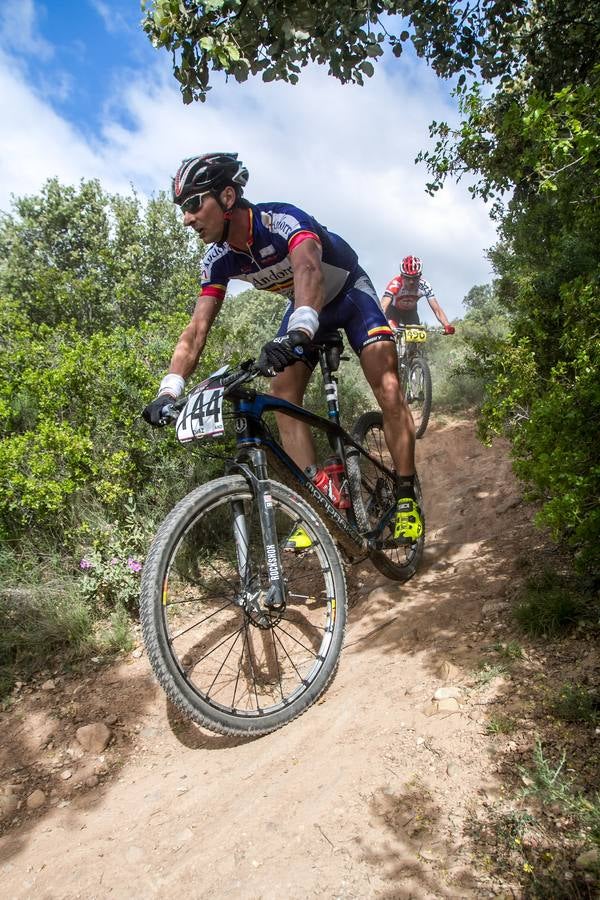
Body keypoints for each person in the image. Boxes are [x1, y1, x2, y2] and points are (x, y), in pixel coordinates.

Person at [142, 153, 423, 548]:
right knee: (280, 393)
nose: (187, 217)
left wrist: (301, 330)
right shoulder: (217, 261)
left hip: (346, 295)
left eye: (192, 204)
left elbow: (308, 269)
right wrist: (170, 388)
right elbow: (197, 328)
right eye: (183, 208)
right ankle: (323, 499)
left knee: (389, 389)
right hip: (305, 307)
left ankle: (407, 498)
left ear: (226, 197)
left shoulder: (282, 221)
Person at [381, 255, 456, 333]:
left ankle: (411, 345)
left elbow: (437, 309)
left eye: (415, 278)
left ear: (420, 276)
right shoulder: (395, 284)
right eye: (407, 278)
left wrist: (447, 325)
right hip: (393, 311)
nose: (411, 282)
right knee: (391, 333)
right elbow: (383, 305)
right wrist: (377, 321)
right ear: (402, 276)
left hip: (410, 312)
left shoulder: (425, 285)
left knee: (416, 336)